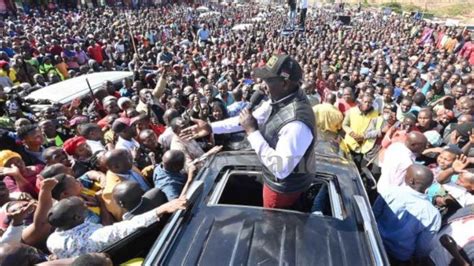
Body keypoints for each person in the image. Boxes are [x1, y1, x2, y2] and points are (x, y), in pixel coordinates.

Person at [181, 55, 315, 209]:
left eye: (268, 80)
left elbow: (281, 169)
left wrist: (252, 132)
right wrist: (211, 127)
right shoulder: (280, 98)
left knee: (274, 221)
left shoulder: (296, 124)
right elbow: (246, 119)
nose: (262, 85)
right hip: (278, 180)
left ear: (284, 83)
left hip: (283, 191)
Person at [46, 196, 187, 259]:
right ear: (76, 218)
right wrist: (161, 209)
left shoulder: (52, 241)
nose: (87, 207)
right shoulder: (95, 237)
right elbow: (126, 227)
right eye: (83, 207)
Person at [373, 164, 441, 262]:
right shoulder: (433, 214)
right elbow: (423, 245)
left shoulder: (390, 192)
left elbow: (374, 214)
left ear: (411, 181)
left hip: (375, 241)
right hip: (399, 255)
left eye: (406, 175)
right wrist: (416, 258)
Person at [101, 149, 151, 220]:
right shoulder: (112, 192)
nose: (132, 158)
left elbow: (139, 178)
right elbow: (124, 216)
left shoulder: (127, 166)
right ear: (116, 167)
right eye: (129, 159)